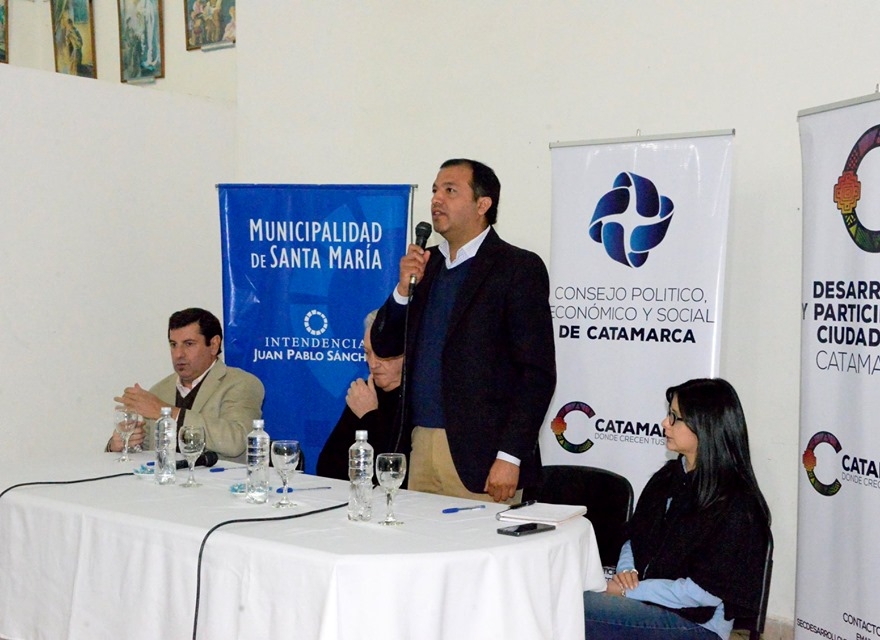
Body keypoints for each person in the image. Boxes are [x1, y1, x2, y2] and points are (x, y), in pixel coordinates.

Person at [371, 158, 556, 503]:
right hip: (419, 447)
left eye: (450, 191)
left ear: (482, 205)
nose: (436, 200)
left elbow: (537, 374)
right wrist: (402, 291)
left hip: (483, 459)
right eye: (434, 191)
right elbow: (384, 344)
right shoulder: (426, 266)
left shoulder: (517, 268)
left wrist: (510, 456)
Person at [583, 378, 771, 640]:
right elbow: (635, 535)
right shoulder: (668, 477)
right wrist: (626, 572)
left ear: (705, 426)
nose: (665, 423)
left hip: (698, 625)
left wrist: (629, 591)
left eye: (675, 417)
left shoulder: (736, 503)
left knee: (576, 608)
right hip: (646, 602)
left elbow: (702, 594)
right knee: (565, 598)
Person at [107, 308, 264, 462]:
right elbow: (146, 451)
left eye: (189, 344)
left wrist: (167, 413)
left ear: (214, 344)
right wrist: (121, 444)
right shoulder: (159, 391)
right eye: (173, 344)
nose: (178, 354)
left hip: (221, 478)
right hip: (166, 478)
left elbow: (236, 441)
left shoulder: (242, 383)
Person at [315, 310, 405, 479]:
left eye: (381, 354)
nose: (372, 363)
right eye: (367, 352)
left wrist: (369, 416)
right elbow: (327, 466)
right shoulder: (366, 392)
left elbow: (393, 473)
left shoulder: (420, 399)